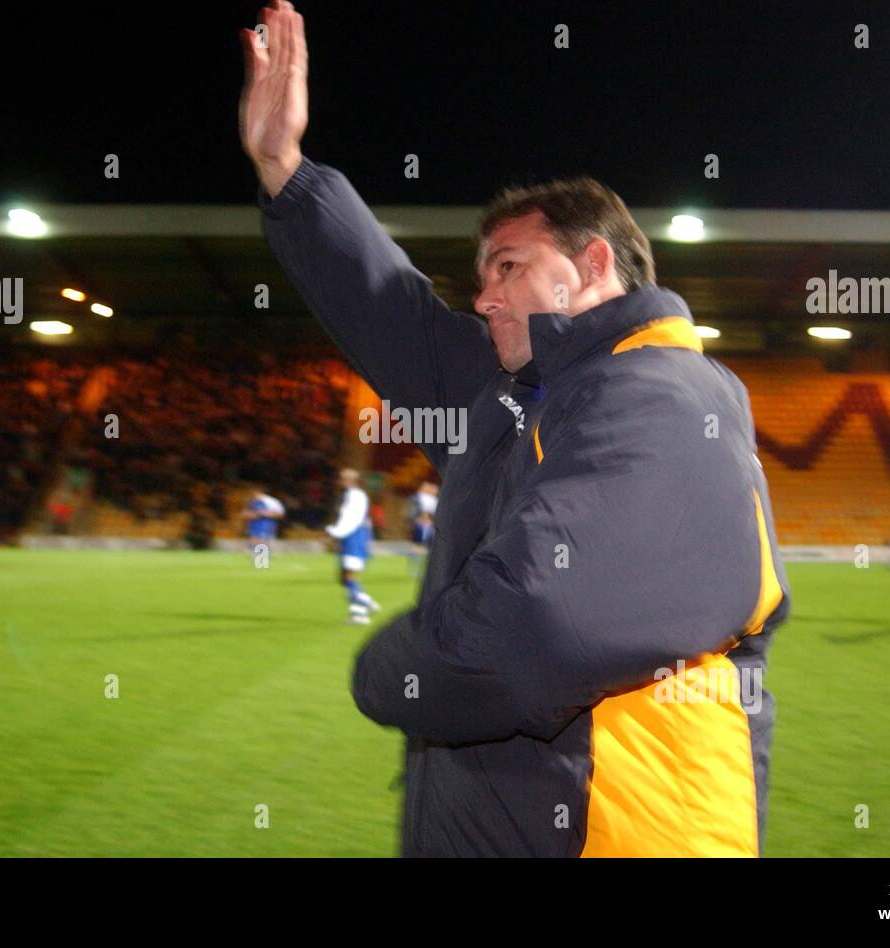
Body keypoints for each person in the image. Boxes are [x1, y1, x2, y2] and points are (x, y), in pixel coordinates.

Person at [241, 0, 790, 857]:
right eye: (480, 276)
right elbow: (395, 311)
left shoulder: (669, 396)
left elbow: (531, 627)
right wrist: (287, 169)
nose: (485, 295)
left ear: (595, 263)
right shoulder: (515, 394)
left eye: (509, 267)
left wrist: (386, 671)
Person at [324, 469, 381, 624]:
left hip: (354, 537)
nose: (340, 480)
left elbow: (351, 519)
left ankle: (360, 613)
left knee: (350, 576)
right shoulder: (349, 495)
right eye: (341, 477)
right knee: (344, 578)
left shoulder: (355, 496)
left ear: (352, 480)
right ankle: (364, 604)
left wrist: (334, 533)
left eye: (344, 478)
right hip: (351, 537)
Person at [241, 487, 286, 562]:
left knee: (263, 539)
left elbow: (280, 513)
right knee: (254, 538)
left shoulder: (270, 502)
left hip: (266, 523)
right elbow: (244, 514)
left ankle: (264, 557)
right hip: (254, 524)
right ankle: (257, 555)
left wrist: (266, 514)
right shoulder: (252, 502)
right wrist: (252, 515)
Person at [406, 481, 438, 576]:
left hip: (430, 525)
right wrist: (418, 519)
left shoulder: (433, 499)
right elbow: (412, 512)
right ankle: (414, 568)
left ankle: (427, 569)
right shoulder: (415, 498)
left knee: (429, 547)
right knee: (416, 546)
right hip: (419, 524)